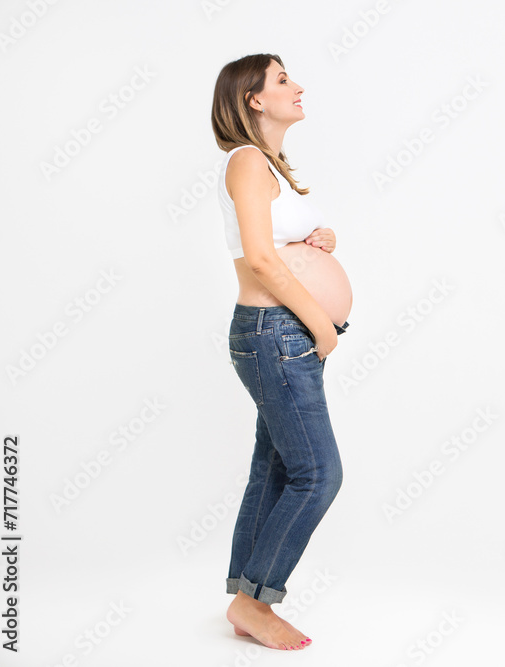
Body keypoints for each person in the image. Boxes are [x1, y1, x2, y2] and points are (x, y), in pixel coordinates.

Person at [210, 53, 353, 651]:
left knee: (274, 469)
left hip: (283, 335)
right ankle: (255, 600)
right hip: (278, 333)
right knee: (318, 475)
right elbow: (261, 259)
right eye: (283, 80)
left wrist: (320, 240)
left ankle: (246, 594)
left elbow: (277, 241)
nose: (298, 87)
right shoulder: (246, 161)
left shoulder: (268, 164)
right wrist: (321, 324)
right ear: (253, 99)